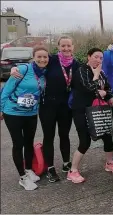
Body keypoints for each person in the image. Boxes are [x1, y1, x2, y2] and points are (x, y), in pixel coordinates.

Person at [9, 35, 79, 183]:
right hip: (48, 106)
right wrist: (14, 68)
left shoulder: (76, 64)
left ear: (73, 47)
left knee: (65, 135)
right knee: (49, 137)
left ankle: (66, 163)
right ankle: (50, 167)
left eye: (69, 46)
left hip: (66, 107)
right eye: (63, 46)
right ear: (58, 47)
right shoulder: (51, 60)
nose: (66, 48)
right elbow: (34, 65)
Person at [67, 48, 113, 184]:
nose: (98, 60)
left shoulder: (101, 72)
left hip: (99, 110)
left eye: (101, 58)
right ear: (88, 56)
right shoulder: (81, 70)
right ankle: (73, 171)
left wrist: (109, 96)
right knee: (85, 141)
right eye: (96, 57)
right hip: (82, 111)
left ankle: (109, 162)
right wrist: (96, 76)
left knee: (108, 136)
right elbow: (89, 88)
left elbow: (107, 87)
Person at [1, 45, 49, 190]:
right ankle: (22, 177)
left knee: (29, 142)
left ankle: (28, 170)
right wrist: (1, 109)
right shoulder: (23, 70)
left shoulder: (44, 73)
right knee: (18, 143)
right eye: (39, 56)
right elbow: (6, 90)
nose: (42, 59)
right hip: (13, 112)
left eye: (45, 57)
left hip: (31, 113)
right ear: (33, 57)